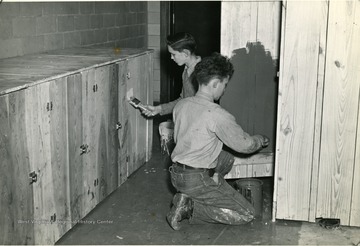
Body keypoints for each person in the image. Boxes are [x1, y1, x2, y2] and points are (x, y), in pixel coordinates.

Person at [167, 53, 270, 230]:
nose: (225, 89)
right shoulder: (217, 114)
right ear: (215, 83)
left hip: (177, 174)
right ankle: (189, 208)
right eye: (224, 84)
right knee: (246, 213)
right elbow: (245, 145)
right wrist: (259, 140)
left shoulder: (181, 105)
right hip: (196, 179)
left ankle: (208, 182)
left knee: (227, 158)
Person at [142, 32, 201, 117]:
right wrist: (159, 109)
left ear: (186, 53)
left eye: (173, 54)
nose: (171, 57)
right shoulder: (186, 70)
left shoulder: (203, 72)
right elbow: (183, 100)